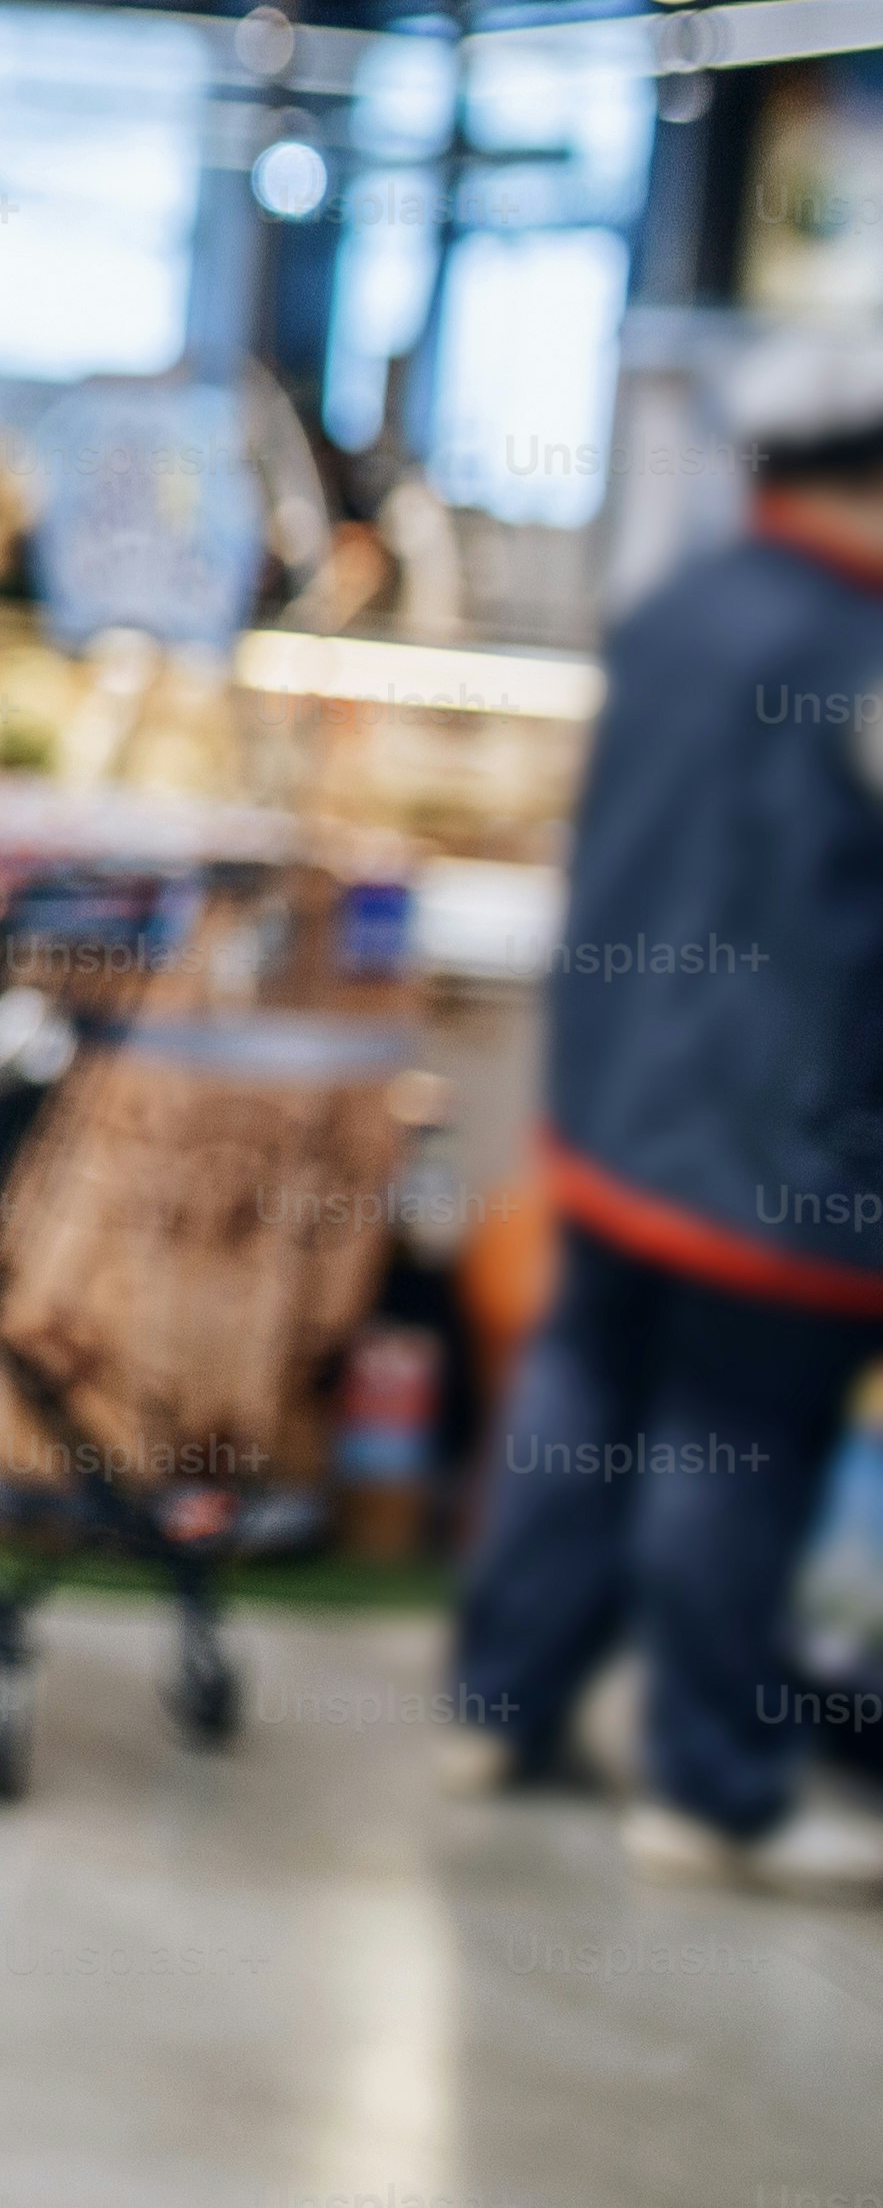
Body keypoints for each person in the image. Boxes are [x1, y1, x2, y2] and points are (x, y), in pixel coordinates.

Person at [446, 331, 883, 1896]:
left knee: (583, 1387)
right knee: (738, 1438)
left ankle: (500, 1703)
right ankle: (710, 1783)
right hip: (789, 1144)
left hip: (618, 1105)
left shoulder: (679, 608)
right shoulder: (860, 652)